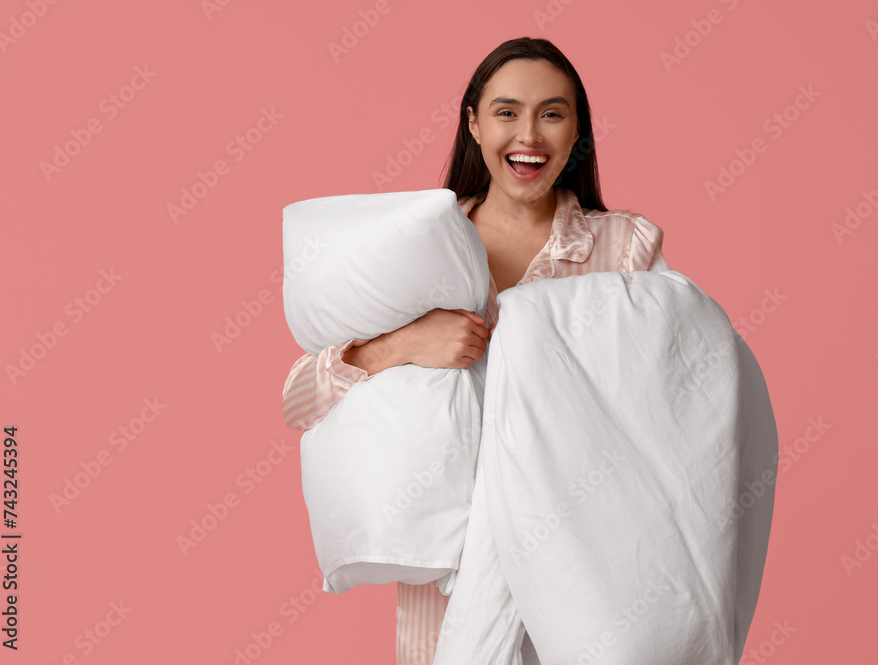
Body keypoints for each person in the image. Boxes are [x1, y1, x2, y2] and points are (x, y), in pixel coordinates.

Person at [282, 36, 671, 665]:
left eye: (552, 113)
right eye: (506, 112)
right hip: (452, 582)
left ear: (577, 130)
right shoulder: (417, 247)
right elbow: (300, 400)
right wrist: (402, 345)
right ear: (474, 124)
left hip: (586, 567)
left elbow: (675, 399)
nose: (529, 136)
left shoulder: (624, 250)